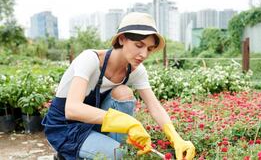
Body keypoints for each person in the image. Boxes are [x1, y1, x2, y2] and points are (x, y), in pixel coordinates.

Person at [42, 12, 196, 160]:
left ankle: (108, 146)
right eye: (139, 45)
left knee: (123, 92)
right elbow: (72, 109)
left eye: (149, 48)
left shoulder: (136, 71)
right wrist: (128, 122)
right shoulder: (90, 59)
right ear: (122, 39)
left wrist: (175, 137)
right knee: (120, 155)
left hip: (95, 123)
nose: (144, 54)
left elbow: (155, 106)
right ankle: (68, 153)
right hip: (66, 127)